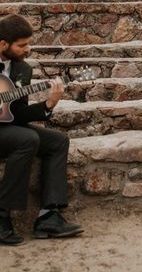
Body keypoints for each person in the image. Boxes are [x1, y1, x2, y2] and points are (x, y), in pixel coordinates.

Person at [0, 14, 83, 245]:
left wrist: (48, 104)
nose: (28, 49)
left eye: (28, 43)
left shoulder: (22, 70)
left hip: (6, 128)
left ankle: (48, 217)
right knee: (27, 139)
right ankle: (1, 215)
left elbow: (18, 114)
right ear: (3, 44)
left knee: (58, 141)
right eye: (22, 45)